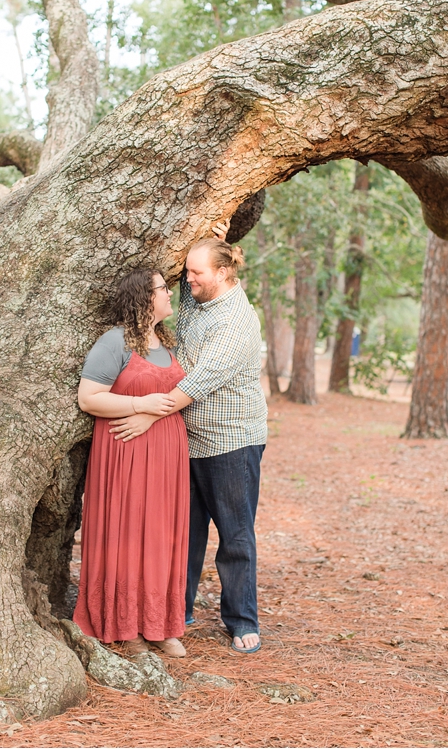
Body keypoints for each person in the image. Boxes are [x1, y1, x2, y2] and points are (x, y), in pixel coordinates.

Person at [110, 228, 268, 653]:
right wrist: (219, 222)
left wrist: (141, 415)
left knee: (234, 534)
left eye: (196, 273)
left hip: (230, 441)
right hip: (186, 438)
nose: (188, 279)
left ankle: (241, 619)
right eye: (188, 273)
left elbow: (194, 385)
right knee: (186, 532)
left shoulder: (236, 323)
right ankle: (176, 611)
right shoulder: (200, 292)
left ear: (222, 273)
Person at [75, 269, 189, 658]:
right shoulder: (115, 342)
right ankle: (125, 625)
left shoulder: (167, 340)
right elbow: (89, 398)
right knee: (127, 534)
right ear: (143, 297)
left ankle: (159, 623)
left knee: (161, 536)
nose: (170, 293)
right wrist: (139, 405)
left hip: (167, 458)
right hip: (125, 454)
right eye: (163, 288)